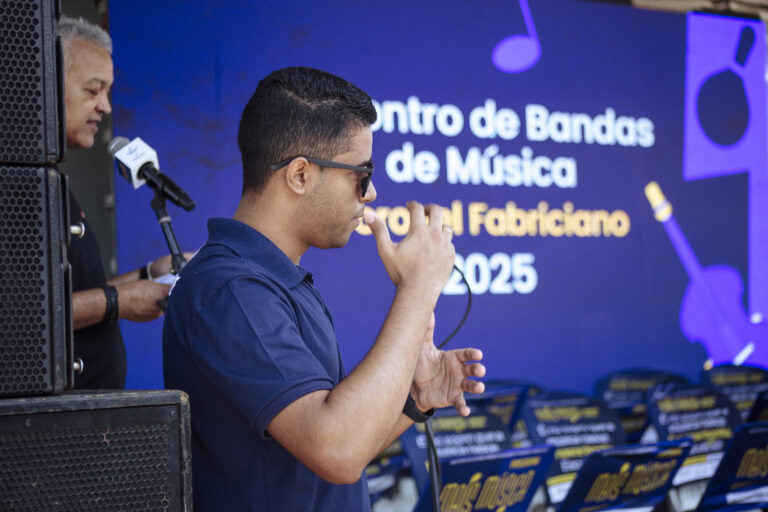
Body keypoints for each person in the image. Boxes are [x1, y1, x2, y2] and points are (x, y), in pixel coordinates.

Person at [163, 66, 486, 511]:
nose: (370, 194)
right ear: (299, 175)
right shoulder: (231, 290)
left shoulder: (275, 281)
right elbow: (336, 450)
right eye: (361, 175)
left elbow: (335, 447)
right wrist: (418, 289)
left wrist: (415, 399)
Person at [60, 15, 178, 389]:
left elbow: (72, 294)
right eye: (93, 91)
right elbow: (27, 314)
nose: (106, 107)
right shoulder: (20, 188)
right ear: (42, 85)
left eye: (108, 92)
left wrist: (148, 274)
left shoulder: (55, 182)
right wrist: (118, 302)